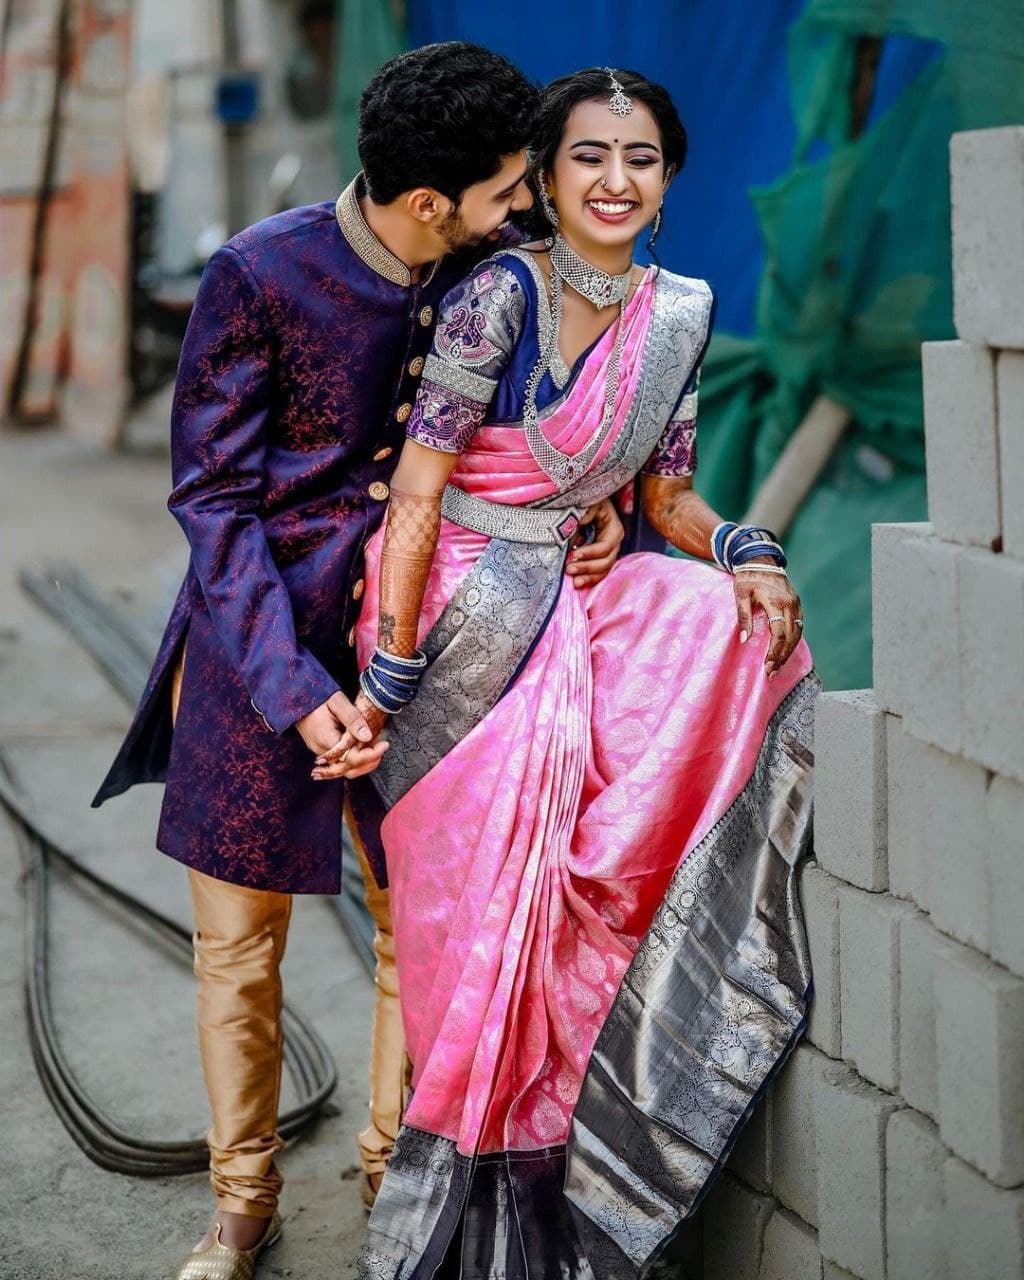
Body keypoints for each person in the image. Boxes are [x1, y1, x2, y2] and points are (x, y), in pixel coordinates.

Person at [91, 43, 626, 1280]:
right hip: (253, 649)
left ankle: (397, 1165)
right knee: (239, 941)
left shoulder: (500, 273)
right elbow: (212, 499)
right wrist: (292, 689)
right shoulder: (258, 273)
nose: (529, 208)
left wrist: (589, 500)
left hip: (434, 641)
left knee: (420, 920)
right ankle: (240, 1201)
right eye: (508, 190)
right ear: (432, 202)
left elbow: (538, 423)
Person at [315, 67, 819, 1278]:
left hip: (572, 587)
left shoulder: (679, 313)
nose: (613, 180)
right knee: (480, 914)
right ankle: (452, 1211)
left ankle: (584, 1178)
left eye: (639, 158)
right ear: (543, 176)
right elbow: (424, 491)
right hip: (453, 614)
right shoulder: (498, 294)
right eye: (588, 156)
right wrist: (387, 672)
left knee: (735, 631)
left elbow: (664, 499)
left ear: (669, 179)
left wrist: (743, 546)